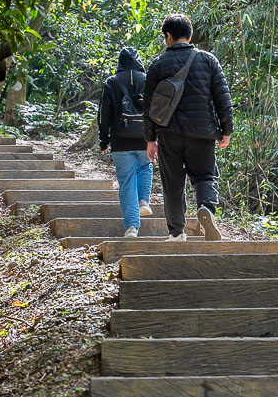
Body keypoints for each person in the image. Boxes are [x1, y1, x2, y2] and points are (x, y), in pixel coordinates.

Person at [143, 14, 233, 242]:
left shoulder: (157, 64)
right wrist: (226, 130)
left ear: (168, 36)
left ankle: (176, 233)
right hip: (202, 133)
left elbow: (149, 106)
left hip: (168, 133)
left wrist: (150, 139)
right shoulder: (208, 60)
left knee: (172, 183)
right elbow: (223, 98)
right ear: (190, 35)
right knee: (205, 176)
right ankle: (207, 209)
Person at [98, 46, 154, 238]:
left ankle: (132, 228)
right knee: (145, 167)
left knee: (127, 182)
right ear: (139, 61)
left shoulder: (111, 82)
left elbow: (104, 114)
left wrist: (103, 139)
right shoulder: (148, 80)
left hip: (120, 140)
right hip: (145, 138)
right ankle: (144, 201)